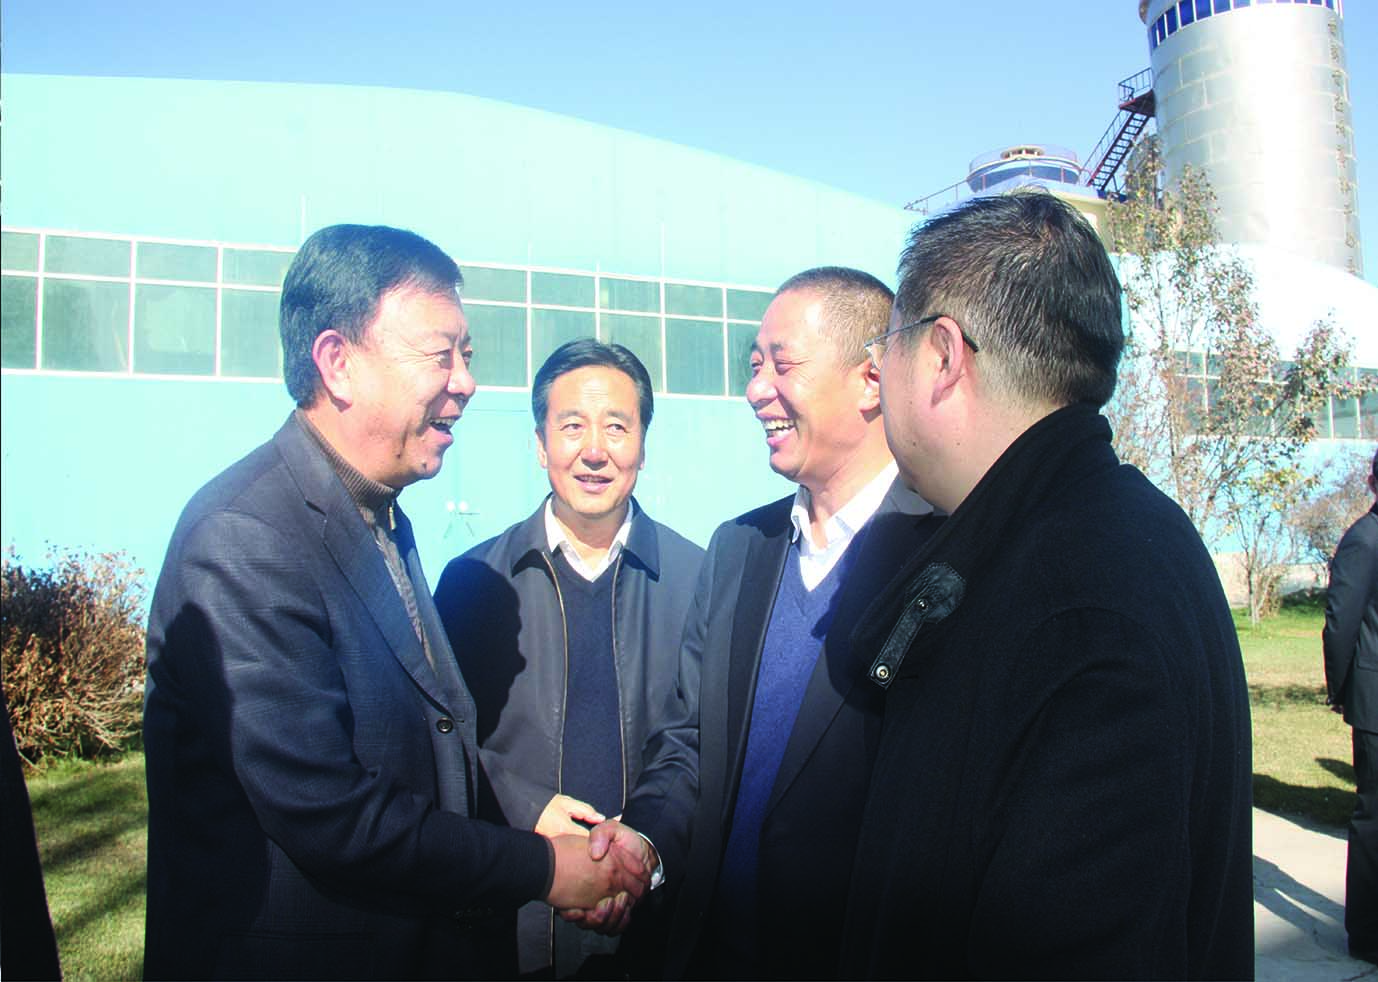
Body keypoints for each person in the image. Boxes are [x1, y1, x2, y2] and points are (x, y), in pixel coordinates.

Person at [141, 224, 648, 981]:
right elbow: (331, 813)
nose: (465, 382)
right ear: (338, 362)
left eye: (467, 356)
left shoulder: (376, 512)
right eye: (441, 355)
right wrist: (544, 867)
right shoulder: (245, 539)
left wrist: (527, 808)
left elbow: (419, 738)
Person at [837, 191, 1254, 979]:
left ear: (942, 355)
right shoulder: (1116, 531)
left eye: (886, 341)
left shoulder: (1075, 603)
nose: (878, 369)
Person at [576, 267, 943, 979]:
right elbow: (689, 741)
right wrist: (643, 842)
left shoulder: (943, 555)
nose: (756, 391)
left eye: (783, 364)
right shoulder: (740, 548)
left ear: (872, 379)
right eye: (754, 366)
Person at [433, 338, 704, 978]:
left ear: (643, 444)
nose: (595, 451)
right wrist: (529, 811)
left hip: (654, 922)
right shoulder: (473, 582)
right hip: (511, 920)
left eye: (617, 427)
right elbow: (440, 741)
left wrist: (640, 847)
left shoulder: (700, 580)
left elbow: (701, 741)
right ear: (540, 444)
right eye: (572, 426)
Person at [1324, 448, 1378, 965]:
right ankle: (1367, 933)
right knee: (1375, 819)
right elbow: (1341, 623)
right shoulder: (1365, 539)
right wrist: (1341, 689)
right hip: (1376, 702)